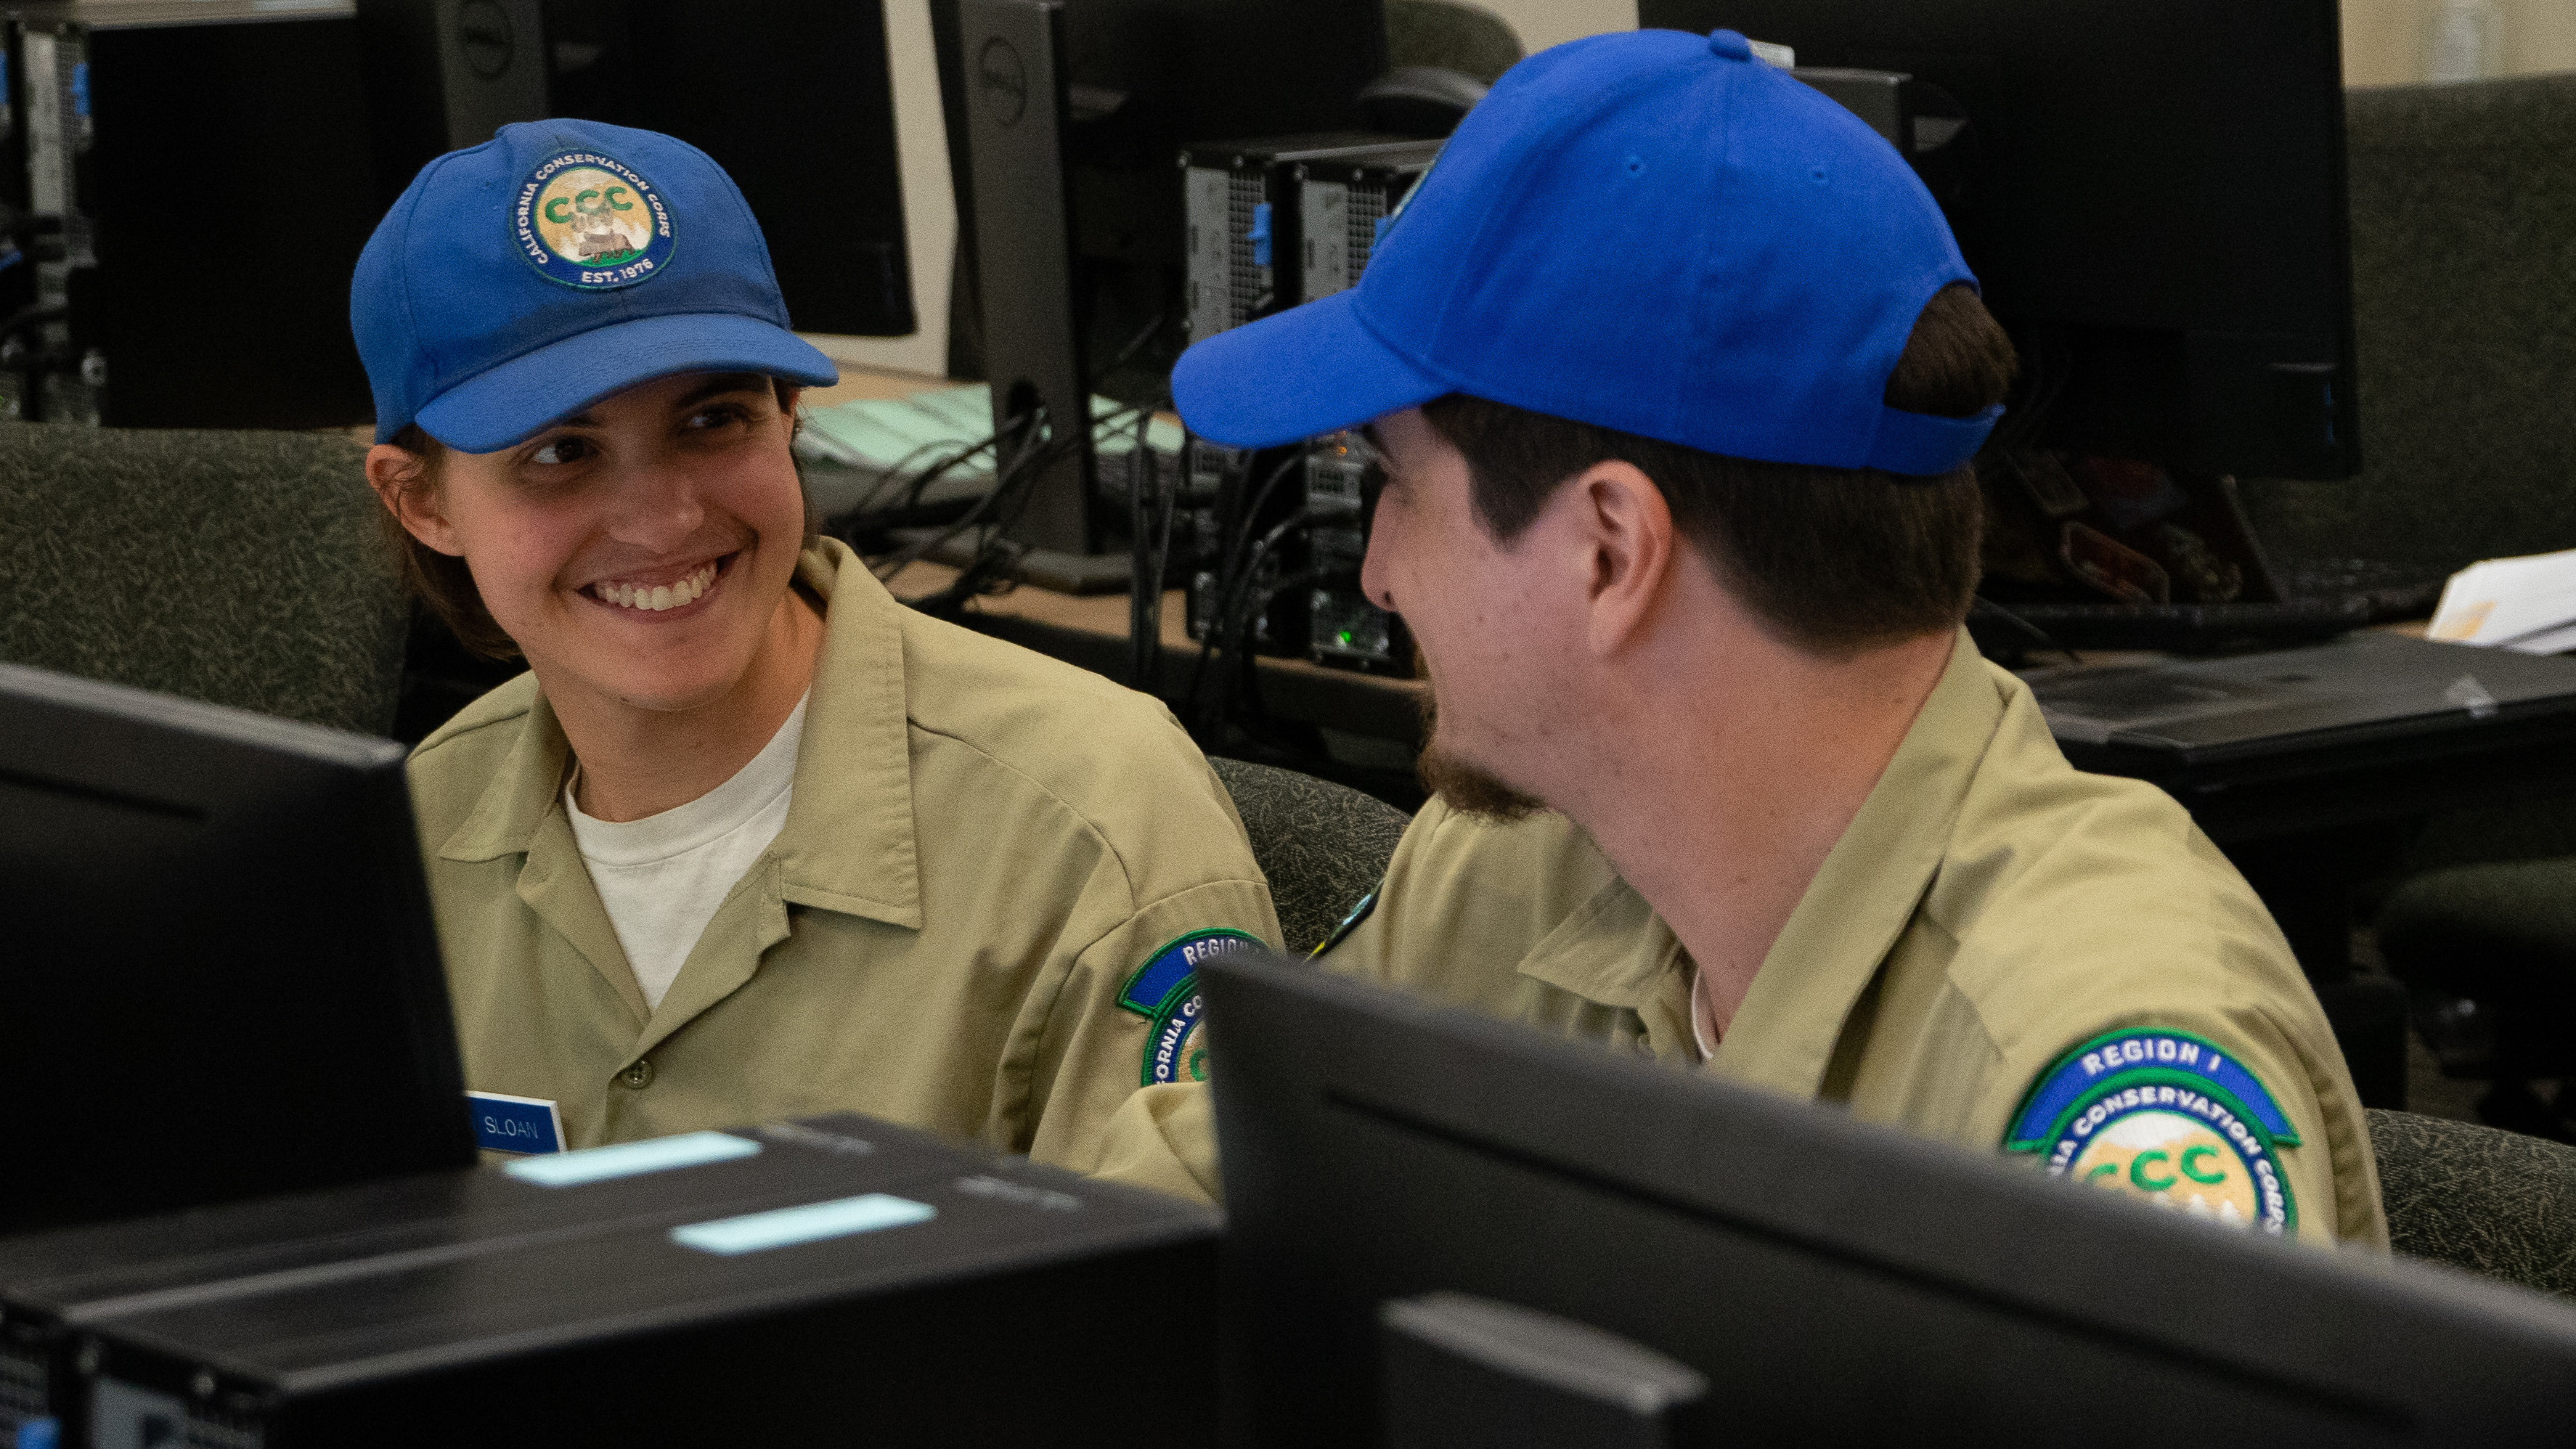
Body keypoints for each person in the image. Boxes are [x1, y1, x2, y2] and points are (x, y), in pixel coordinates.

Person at [1101, 29, 2385, 1247]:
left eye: (1397, 485)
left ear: (1611, 550)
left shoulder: (2085, 1058)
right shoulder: (1522, 860)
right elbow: (1145, 1261)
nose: (1376, 573)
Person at [354, 120, 1276, 1174]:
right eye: (562, 453)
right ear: (422, 500)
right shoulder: (419, 835)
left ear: (791, 418)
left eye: (714, 422)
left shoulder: (1090, 822)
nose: (661, 522)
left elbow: (1176, 1317)